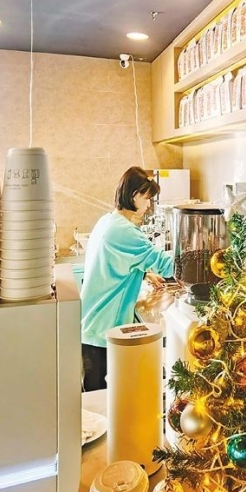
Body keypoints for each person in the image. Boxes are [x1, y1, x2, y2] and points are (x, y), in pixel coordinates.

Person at [80, 166, 174, 391]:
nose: (149, 204)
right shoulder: (125, 231)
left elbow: (113, 263)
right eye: (147, 198)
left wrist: (143, 273)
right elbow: (166, 264)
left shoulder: (108, 221)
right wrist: (202, 257)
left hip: (91, 323)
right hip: (104, 328)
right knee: (103, 399)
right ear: (134, 195)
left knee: (97, 396)